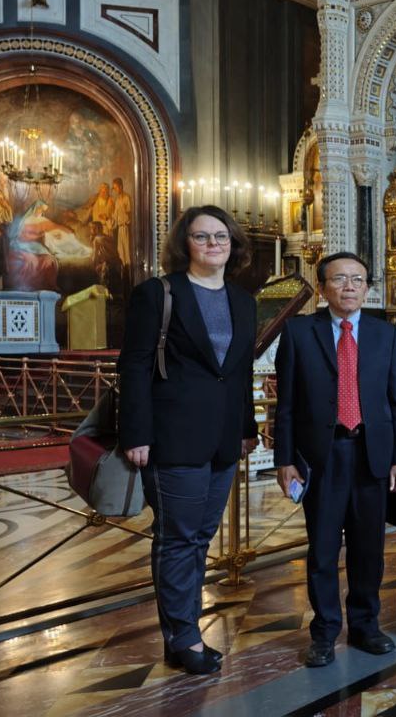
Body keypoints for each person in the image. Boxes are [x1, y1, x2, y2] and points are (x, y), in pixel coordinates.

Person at [118, 205, 257, 674]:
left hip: (221, 440)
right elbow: (134, 366)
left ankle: (182, 632)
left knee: (200, 536)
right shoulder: (158, 294)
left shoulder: (243, 299)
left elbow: (237, 373)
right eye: (202, 237)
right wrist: (135, 432)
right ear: (185, 244)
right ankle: (184, 637)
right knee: (177, 538)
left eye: (222, 237)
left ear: (233, 245)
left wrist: (246, 429)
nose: (214, 244)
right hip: (171, 437)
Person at [273, 252, 396, 668]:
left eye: (357, 279)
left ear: (367, 287)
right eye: (339, 279)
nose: (349, 286)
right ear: (322, 288)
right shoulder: (299, 333)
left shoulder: (385, 334)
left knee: (369, 549)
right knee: (322, 550)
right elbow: (287, 406)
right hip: (322, 455)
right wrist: (285, 460)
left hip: (372, 454)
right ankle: (324, 632)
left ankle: (367, 625)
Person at [111, 177, 133, 270]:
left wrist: (125, 213)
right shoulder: (117, 200)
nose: (115, 190)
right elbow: (115, 217)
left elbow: (130, 213)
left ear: (121, 186)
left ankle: (129, 271)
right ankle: (123, 271)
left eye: (116, 187)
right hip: (119, 228)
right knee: (121, 251)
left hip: (126, 227)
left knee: (127, 250)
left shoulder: (127, 198)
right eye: (114, 188)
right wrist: (107, 218)